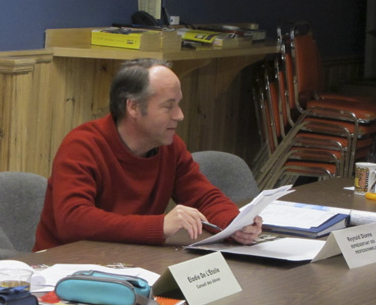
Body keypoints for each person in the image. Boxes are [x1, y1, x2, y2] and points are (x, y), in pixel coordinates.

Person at [34, 58, 262, 249]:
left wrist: (235, 223)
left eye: (178, 104)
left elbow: (203, 198)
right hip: (64, 268)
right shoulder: (83, 145)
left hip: (129, 260)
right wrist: (159, 226)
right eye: (168, 106)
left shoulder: (170, 148)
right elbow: (73, 221)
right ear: (133, 107)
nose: (180, 115)